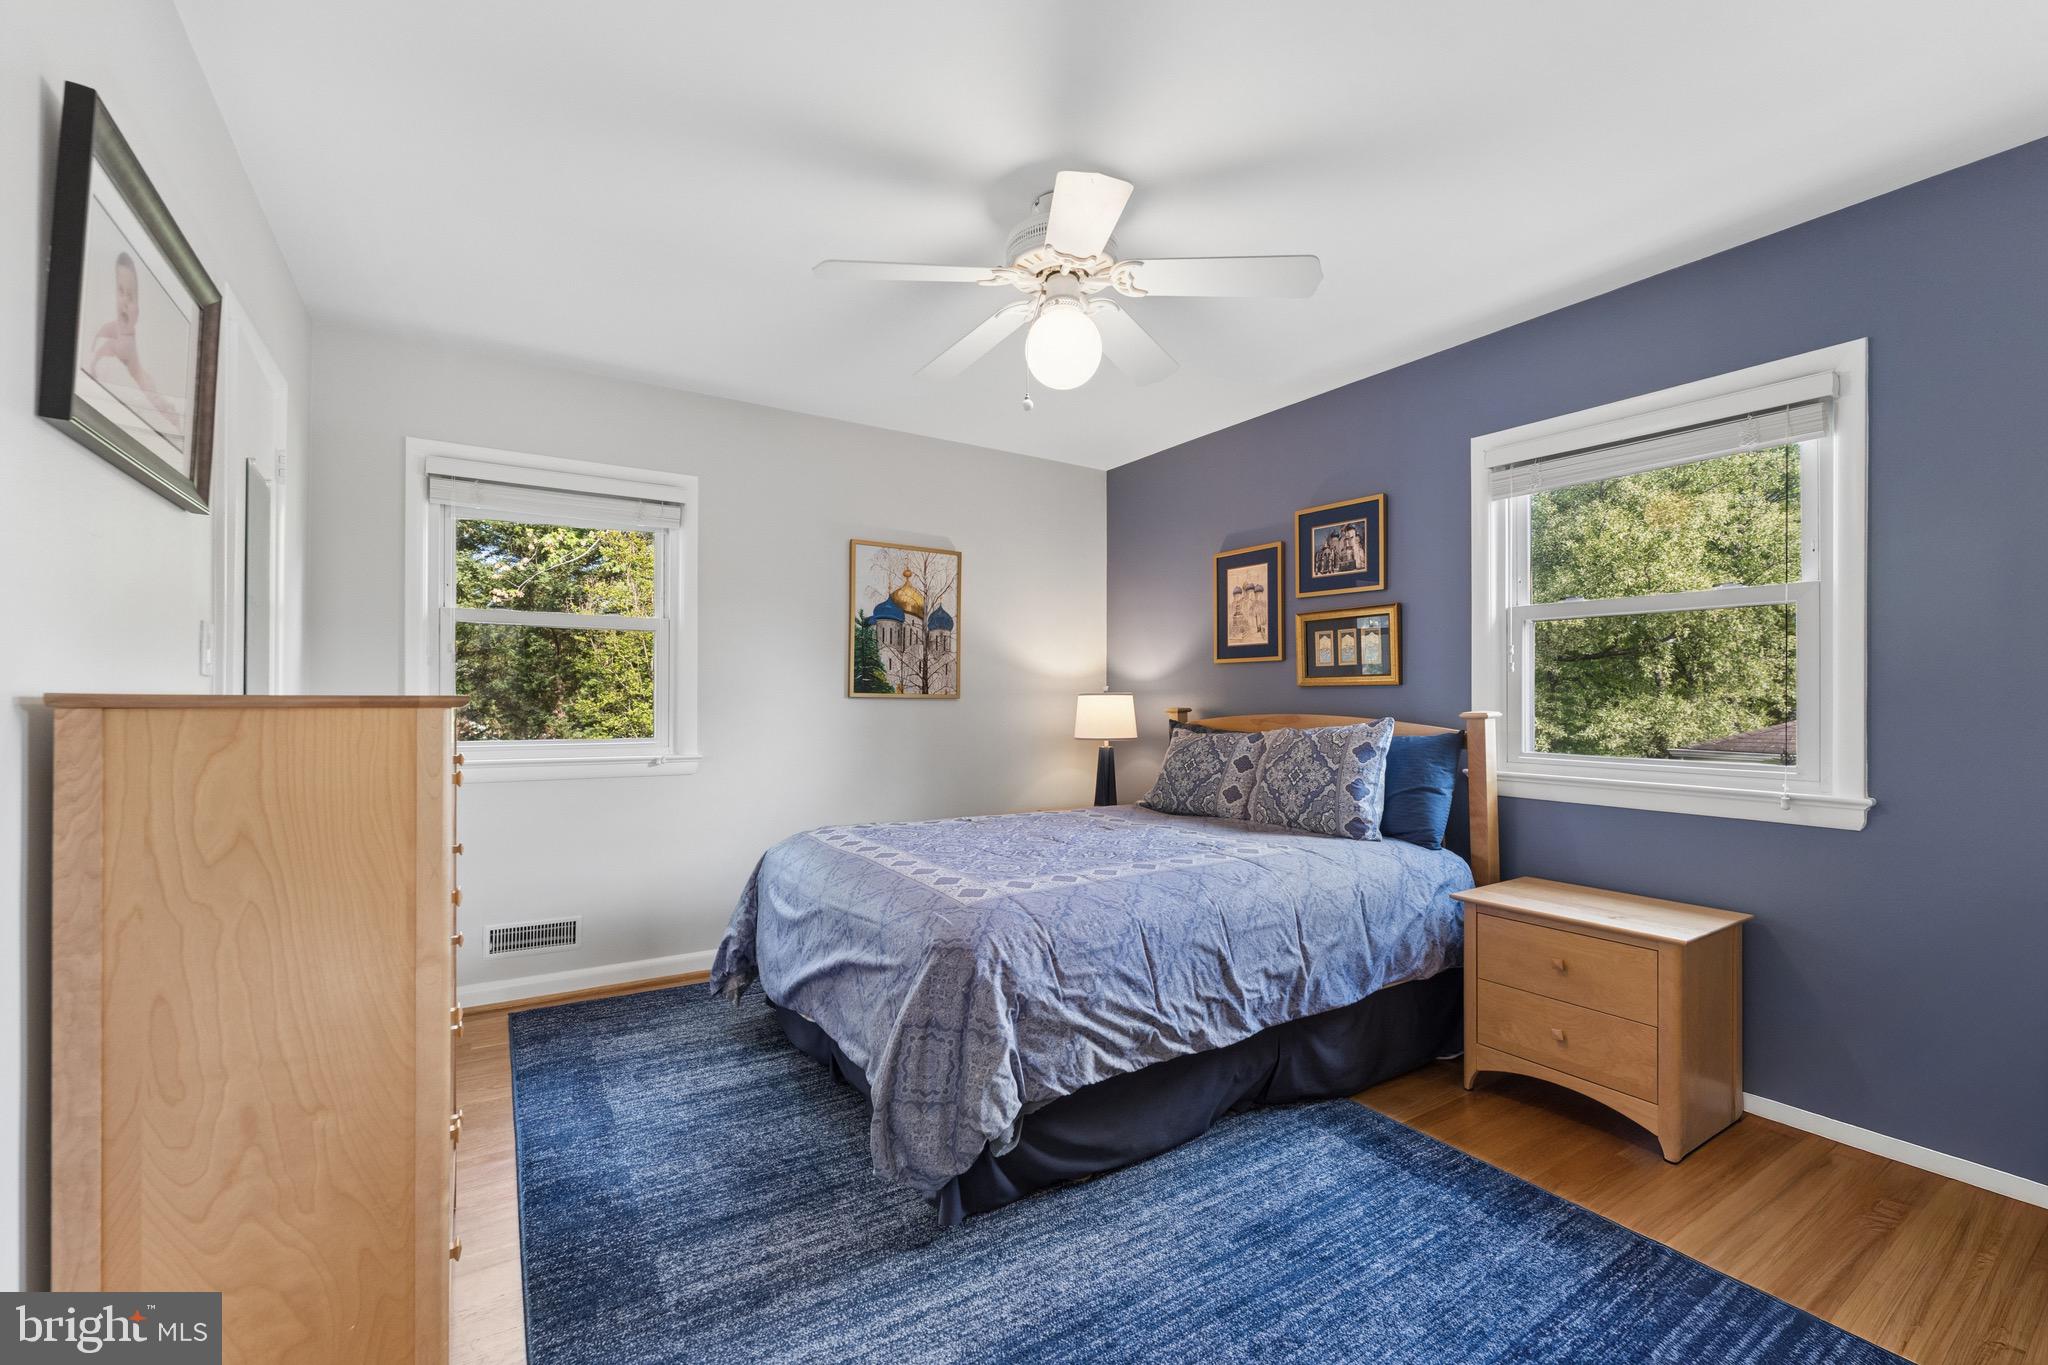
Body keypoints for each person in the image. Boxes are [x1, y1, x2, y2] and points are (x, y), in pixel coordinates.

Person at [88, 251, 183, 443]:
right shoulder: (107, 362)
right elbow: (165, 434)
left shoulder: (143, 375)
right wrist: (172, 425)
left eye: (131, 296)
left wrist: (169, 414)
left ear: (138, 309)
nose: (124, 301)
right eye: (120, 291)